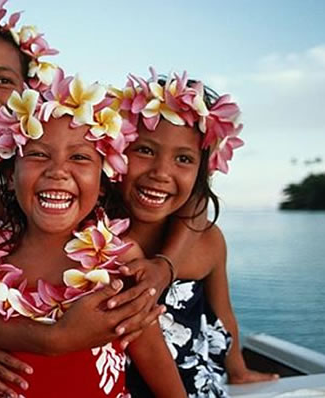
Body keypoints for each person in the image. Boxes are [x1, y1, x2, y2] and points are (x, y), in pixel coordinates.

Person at [0, 3, 170, 397]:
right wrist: (46, 338)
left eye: (3, 80)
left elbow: (186, 215)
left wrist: (162, 269)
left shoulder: (70, 193)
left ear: (32, 97)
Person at [0, 76, 186, 397]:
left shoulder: (119, 262)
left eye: (79, 157)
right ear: (7, 175)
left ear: (102, 182)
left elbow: (158, 365)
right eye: (37, 155)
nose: (57, 171)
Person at [108, 69, 279, 397]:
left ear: (203, 171)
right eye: (144, 150)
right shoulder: (97, 238)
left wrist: (238, 370)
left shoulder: (208, 241)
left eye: (183, 159)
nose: (161, 173)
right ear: (116, 151)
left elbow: (222, 313)